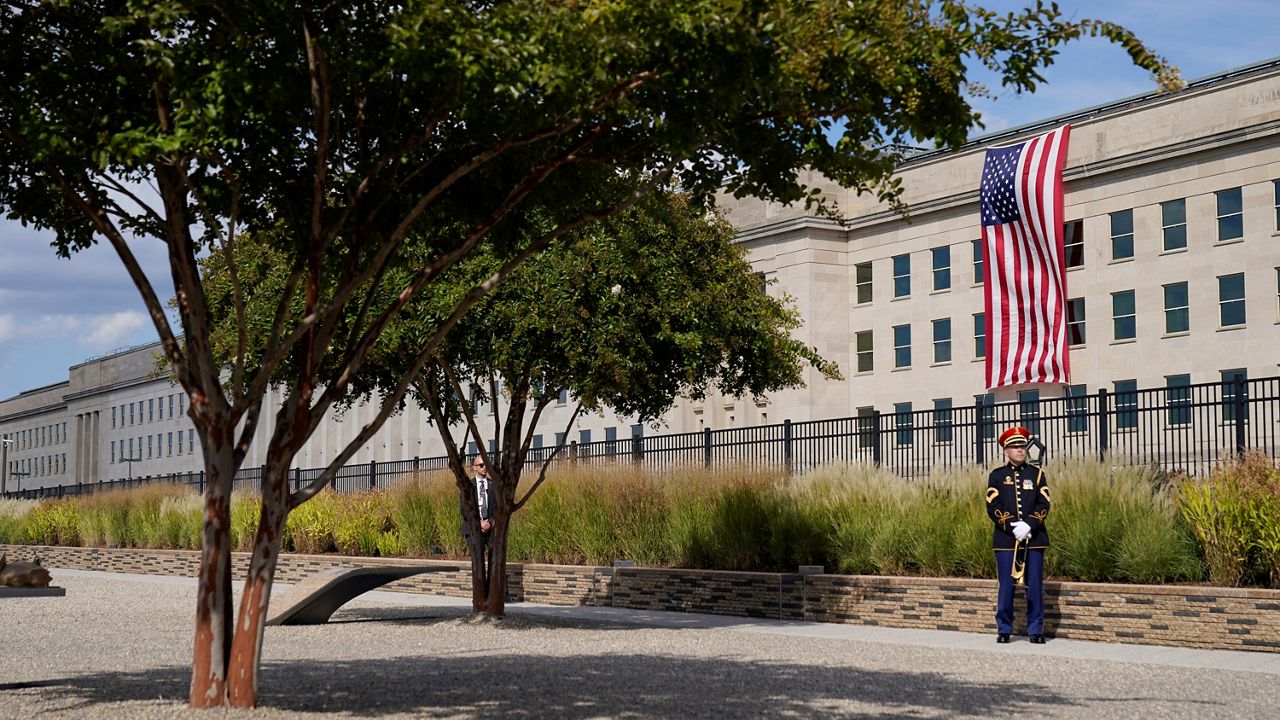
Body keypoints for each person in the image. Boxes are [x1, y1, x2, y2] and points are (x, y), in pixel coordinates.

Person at [985, 425, 1051, 644]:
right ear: (1005, 451)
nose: (1020, 450)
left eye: (1022, 446)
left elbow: (1044, 503)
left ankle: (1036, 630)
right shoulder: (997, 476)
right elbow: (992, 505)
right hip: (1006, 540)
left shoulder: (1038, 474)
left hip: (1034, 539)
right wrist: (1014, 525)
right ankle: (1004, 629)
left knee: (1034, 585)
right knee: (1006, 586)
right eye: (1014, 447)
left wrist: (1029, 525)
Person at [461, 456, 496, 550]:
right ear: (474, 467)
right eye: (481, 465)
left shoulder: (494, 485)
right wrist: (478, 522)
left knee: (494, 560)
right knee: (477, 561)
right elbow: (464, 508)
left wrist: (489, 522)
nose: (485, 467)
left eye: (486, 465)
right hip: (473, 528)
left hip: (491, 528)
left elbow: (499, 508)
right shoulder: (468, 486)